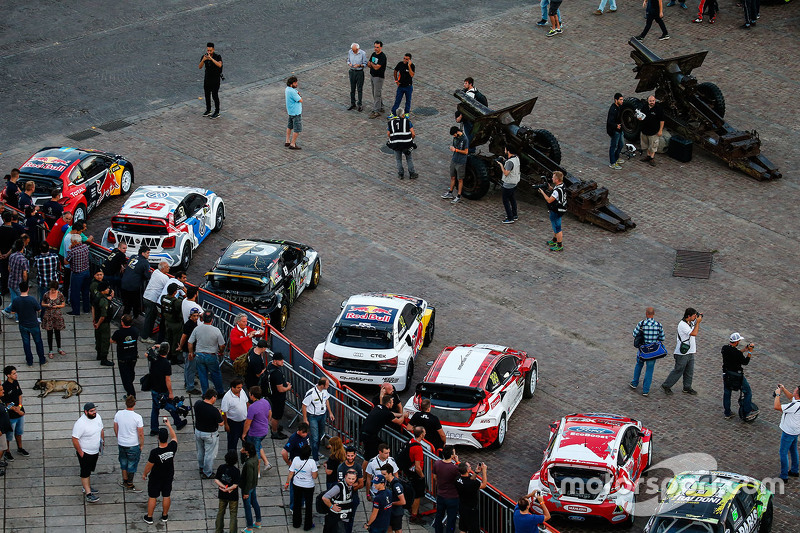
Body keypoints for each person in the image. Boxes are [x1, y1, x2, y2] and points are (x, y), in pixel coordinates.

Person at [142, 420, 177, 524]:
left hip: (156, 477)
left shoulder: (155, 452)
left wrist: (144, 474)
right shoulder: (172, 447)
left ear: (158, 438)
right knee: (166, 495)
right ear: (167, 438)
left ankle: (149, 517)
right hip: (168, 476)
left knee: (153, 496)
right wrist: (169, 425)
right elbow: (174, 437)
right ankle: (165, 515)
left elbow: (149, 466)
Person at [149, 342, 188, 435]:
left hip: (154, 387)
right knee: (169, 406)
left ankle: (154, 428)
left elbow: (148, 352)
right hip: (163, 389)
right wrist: (170, 392)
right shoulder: (166, 363)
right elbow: (168, 380)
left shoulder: (154, 358)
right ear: (168, 351)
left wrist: (155, 347)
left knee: (155, 409)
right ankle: (178, 422)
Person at [662, 308, 703, 395]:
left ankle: (687, 387)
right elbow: (694, 333)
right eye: (694, 316)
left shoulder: (690, 322)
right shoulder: (682, 325)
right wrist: (698, 322)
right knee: (678, 370)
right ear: (688, 316)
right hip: (682, 353)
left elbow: (694, 326)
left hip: (690, 351)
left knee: (689, 371)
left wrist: (697, 318)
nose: (695, 317)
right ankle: (666, 385)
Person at [71, 402, 104, 503]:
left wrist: (102, 442)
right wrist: (81, 452)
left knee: (89, 470)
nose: (94, 412)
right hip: (85, 452)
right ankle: (88, 493)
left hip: (95, 451)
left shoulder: (98, 417)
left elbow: (101, 429)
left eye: (94, 410)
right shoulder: (80, 424)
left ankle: (86, 486)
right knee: (85, 472)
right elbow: (75, 439)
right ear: (86, 412)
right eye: (91, 411)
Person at [629, 307, 666, 396]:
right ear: (653, 314)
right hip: (653, 352)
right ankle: (646, 390)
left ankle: (634, 383)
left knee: (639, 365)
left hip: (643, 350)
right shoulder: (658, 325)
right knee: (649, 370)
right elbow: (662, 338)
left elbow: (634, 334)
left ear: (646, 313)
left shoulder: (642, 324)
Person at [188, 310, 226, 395]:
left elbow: (190, 342)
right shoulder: (216, 330)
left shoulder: (197, 329)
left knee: (202, 375)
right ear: (212, 319)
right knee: (215, 374)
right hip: (211, 355)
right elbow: (222, 345)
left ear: (202, 318)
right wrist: (221, 352)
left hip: (199, 355)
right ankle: (220, 392)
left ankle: (205, 393)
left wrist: (191, 353)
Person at [360, 395, 404, 467]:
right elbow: (399, 422)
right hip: (369, 436)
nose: (393, 404)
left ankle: (382, 466)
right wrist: (403, 415)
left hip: (366, 433)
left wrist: (400, 414)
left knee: (383, 447)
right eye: (392, 402)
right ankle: (363, 476)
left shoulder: (378, 407)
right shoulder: (386, 413)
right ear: (388, 404)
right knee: (368, 458)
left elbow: (391, 414)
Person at [10, 281, 46, 366]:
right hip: (33, 324)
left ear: (19, 289)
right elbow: (39, 309)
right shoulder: (32, 299)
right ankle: (42, 359)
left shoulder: (16, 300)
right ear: (28, 289)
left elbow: (12, 311)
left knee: (26, 343)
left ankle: (29, 361)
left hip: (23, 324)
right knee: (38, 342)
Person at [113, 395, 144, 492]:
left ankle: (125, 481)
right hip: (133, 444)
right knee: (132, 464)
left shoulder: (119, 414)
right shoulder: (137, 417)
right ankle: (130, 484)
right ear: (134, 404)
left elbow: (115, 427)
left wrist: (119, 437)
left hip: (121, 443)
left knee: (123, 462)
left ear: (126, 403)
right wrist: (141, 444)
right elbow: (140, 433)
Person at [722, 333, 756, 420]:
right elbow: (745, 362)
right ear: (736, 341)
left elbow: (734, 354)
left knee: (727, 393)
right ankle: (748, 411)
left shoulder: (724, 348)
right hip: (736, 376)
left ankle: (727, 413)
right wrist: (749, 351)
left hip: (726, 374)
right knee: (748, 391)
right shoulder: (737, 354)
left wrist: (743, 349)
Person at [285, 445, 318, 531]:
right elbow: (314, 476)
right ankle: (307, 525)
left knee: (297, 503)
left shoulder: (295, 459)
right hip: (308, 486)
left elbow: (291, 473)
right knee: (308, 505)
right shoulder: (312, 462)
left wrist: (287, 482)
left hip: (297, 484)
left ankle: (296, 523)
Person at [302, 376, 335, 463]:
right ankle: (315, 459)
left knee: (321, 434)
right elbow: (304, 405)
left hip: (322, 415)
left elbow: (326, 400)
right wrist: (305, 419)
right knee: (315, 437)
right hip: (313, 417)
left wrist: (330, 412)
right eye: (327, 385)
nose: (328, 386)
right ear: (322, 385)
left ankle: (315, 451)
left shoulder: (325, 391)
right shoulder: (311, 393)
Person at [241, 386, 273, 472]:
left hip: (255, 433)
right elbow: (270, 413)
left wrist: (244, 433)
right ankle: (266, 463)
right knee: (258, 445)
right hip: (264, 430)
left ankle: (257, 472)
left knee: (256, 452)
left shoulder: (252, 407)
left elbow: (248, 423)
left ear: (252, 395)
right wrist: (266, 422)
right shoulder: (266, 402)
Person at [282, 422, 312, 510]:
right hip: (296, 465)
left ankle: (302, 502)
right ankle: (293, 506)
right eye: (303, 432)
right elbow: (284, 452)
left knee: (304, 484)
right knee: (295, 486)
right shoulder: (293, 438)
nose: (305, 434)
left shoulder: (306, 436)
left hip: (305, 463)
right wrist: (288, 463)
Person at [194, 388, 223, 479]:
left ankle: (201, 467)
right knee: (209, 454)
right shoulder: (214, 410)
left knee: (200, 451)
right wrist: (220, 414)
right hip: (210, 434)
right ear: (213, 397)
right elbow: (221, 423)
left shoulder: (197, 404)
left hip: (198, 431)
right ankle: (207, 473)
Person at [774, 384, 800, 481]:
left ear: (797, 394)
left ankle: (784, 476)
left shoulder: (795, 405)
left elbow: (777, 407)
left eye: (794, 391)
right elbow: (791, 397)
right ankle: (794, 470)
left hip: (788, 432)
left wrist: (778, 395)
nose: (793, 392)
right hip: (796, 431)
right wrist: (784, 389)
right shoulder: (797, 402)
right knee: (793, 450)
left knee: (783, 452)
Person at [3, 366, 29, 459]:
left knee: (19, 432)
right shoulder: (4, 387)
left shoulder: (16, 383)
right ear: (8, 375)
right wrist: (15, 409)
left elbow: (20, 395)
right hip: (11, 416)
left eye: (16, 373)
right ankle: (7, 451)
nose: (16, 375)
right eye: (14, 373)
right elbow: (5, 404)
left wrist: (20, 407)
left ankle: (20, 448)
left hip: (19, 413)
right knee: (9, 435)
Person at [338, 445, 365, 533]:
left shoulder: (358, 467)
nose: (350, 457)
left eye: (352, 455)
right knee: (342, 519)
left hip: (353, 498)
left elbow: (361, 484)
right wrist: (354, 484)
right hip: (343, 499)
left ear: (355, 455)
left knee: (351, 519)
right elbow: (341, 485)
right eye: (348, 455)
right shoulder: (341, 467)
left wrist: (352, 486)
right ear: (345, 455)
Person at [433, 445, 461, 533]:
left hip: (440, 495)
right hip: (453, 497)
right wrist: (457, 462)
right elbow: (463, 473)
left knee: (439, 517)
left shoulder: (437, 463)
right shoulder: (455, 468)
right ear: (452, 455)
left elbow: (434, 477)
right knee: (451, 520)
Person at [111, 314, 140, 399]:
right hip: (133, 356)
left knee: (125, 376)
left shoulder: (119, 332)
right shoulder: (135, 330)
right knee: (131, 372)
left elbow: (112, 340)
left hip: (123, 357)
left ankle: (131, 394)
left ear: (122, 323)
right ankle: (129, 384)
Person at [142, 261, 171, 341]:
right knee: (149, 319)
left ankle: (146, 333)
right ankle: (145, 337)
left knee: (149, 318)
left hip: (146, 296)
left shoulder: (156, 272)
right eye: (167, 267)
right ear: (163, 269)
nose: (169, 268)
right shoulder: (165, 278)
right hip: (152, 299)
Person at [322, 469, 358, 533]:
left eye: (353, 479)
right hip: (336, 518)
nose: (351, 481)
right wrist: (331, 506)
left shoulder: (350, 486)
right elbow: (325, 497)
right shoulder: (339, 487)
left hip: (344, 517)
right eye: (349, 478)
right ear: (345, 477)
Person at [120, 245, 151, 319]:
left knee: (128, 303)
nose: (148, 255)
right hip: (133, 286)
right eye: (147, 253)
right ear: (143, 253)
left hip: (124, 283)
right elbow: (147, 276)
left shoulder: (132, 256)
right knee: (131, 304)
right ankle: (128, 319)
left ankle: (132, 315)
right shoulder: (145, 263)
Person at [455, 462, 487, 533]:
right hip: (471, 510)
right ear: (467, 470)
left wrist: (476, 472)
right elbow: (484, 485)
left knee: (463, 529)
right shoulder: (472, 484)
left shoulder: (457, 478)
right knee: (474, 530)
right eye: (469, 467)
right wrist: (484, 471)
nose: (470, 467)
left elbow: (469, 480)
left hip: (462, 506)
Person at [265, 352, 292, 438]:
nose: (282, 361)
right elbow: (280, 389)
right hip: (277, 397)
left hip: (272, 395)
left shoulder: (270, 366)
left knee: (275, 414)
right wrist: (288, 387)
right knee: (276, 416)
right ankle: (275, 432)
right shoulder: (277, 373)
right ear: (275, 361)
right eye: (280, 360)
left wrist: (283, 383)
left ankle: (275, 427)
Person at [441, 127, 469, 204]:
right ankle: (450, 192)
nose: (453, 136)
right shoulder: (455, 138)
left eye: (454, 134)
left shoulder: (465, 139)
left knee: (460, 179)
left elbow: (466, 152)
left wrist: (456, 150)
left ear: (457, 132)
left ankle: (459, 196)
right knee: (453, 177)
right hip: (454, 160)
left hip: (461, 162)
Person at [539, 171, 566, 252]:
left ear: (557, 179)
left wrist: (542, 192)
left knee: (557, 228)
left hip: (556, 211)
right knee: (555, 226)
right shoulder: (562, 185)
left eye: (553, 177)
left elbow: (549, 200)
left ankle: (559, 245)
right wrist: (551, 188)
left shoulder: (556, 191)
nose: (552, 178)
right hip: (561, 209)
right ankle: (554, 240)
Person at [214, 450, 240, 533]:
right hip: (232, 495)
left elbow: (216, 479)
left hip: (222, 494)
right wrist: (228, 489)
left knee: (220, 512)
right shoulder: (236, 471)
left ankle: (218, 530)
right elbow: (235, 485)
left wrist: (224, 487)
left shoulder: (221, 467)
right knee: (233, 514)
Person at [65, 234, 91, 315]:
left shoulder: (73, 251)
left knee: (75, 293)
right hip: (86, 271)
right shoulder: (85, 247)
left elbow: (66, 261)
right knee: (85, 292)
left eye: (72, 241)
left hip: (77, 274)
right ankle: (86, 309)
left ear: (75, 242)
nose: (71, 243)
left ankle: (76, 311)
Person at [239, 441, 262, 533]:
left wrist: (246, 492)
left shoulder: (249, 464)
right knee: (254, 502)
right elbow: (243, 461)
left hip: (247, 487)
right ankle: (258, 521)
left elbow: (248, 478)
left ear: (247, 451)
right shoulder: (255, 457)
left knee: (247, 506)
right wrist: (241, 453)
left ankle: (249, 527)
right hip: (253, 485)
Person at [387, 113, 418, 180]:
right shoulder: (407, 122)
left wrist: (393, 138)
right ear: (403, 115)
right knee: (409, 158)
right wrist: (410, 139)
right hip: (406, 143)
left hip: (396, 143)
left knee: (398, 159)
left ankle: (401, 174)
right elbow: (413, 133)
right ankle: (412, 173)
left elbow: (388, 133)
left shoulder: (391, 122)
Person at [221, 378, 248, 453]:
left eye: (241, 387)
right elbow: (223, 412)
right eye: (238, 387)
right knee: (232, 442)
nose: (240, 389)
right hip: (233, 423)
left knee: (246, 440)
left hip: (244, 421)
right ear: (232, 387)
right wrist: (226, 424)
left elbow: (246, 402)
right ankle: (232, 458)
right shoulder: (227, 398)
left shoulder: (242, 391)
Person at [41, 279, 66, 358]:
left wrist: (57, 306)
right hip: (49, 315)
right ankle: (50, 350)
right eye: (51, 289)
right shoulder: (46, 294)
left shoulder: (60, 294)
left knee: (57, 332)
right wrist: (47, 305)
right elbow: (42, 303)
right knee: (49, 333)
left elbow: (63, 304)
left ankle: (59, 348)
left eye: (54, 290)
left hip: (57, 315)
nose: (52, 291)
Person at [160, 282, 185, 364]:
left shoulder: (163, 298)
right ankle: (174, 357)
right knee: (176, 340)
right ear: (175, 292)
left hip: (167, 321)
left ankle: (168, 354)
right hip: (175, 323)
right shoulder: (177, 302)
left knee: (169, 338)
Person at [407, 426, 427, 524]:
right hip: (416, 474)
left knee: (414, 493)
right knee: (417, 495)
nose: (425, 434)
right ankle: (414, 515)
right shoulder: (418, 448)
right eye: (424, 432)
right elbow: (418, 467)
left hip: (410, 472)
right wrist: (422, 476)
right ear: (422, 434)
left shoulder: (411, 441)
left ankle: (413, 511)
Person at [2, 239, 28, 318]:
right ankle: (13, 313)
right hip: (18, 282)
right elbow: (24, 274)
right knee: (19, 300)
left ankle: (9, 311)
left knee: (14, 299)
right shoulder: (24, 259)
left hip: (11, 281)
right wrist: (25, 282)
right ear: (23, 247)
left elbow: (9, 268)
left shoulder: (11, 256)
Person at [180, 305, 202, 394]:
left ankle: (188, 382)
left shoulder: (192, 324)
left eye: (197, 316)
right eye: (194, 316)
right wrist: (182, 347)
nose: (196, 317)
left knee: (187, 367)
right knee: (190, 368)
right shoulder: (189, 325)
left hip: (188, 349)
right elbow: (184, 337)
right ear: (190, 316)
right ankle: (190, 386)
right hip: (189, 350)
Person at [496, 146, 521, 224]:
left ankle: (510, 218)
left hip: (508, 184)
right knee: (512, 199)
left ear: (508, 151)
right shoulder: (516, 158)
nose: (505, 150)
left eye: (506, 149)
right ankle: (514, 214)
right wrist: (505, 161)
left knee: (505, 200)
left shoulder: (509, 162)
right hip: (515, 182)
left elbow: (506, 173)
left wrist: (501, 165)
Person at [638, 95, 665, 166]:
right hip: (645, 130)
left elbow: (662, 120)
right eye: (650, 101)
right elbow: (641, 115)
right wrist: (639, 118)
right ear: (648, 101)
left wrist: (660, 130)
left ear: (655, 101)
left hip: (654, 132)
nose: (652, 102)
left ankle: (651, 158)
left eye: (653, 101)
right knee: (646, 145)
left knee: (653, 146)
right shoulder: (645, 107)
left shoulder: (658, 109)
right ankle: (648, 156)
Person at [93, 281, 115, 367]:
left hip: (97, 321)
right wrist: (98, 323)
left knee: (98, 338)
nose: (108, 290)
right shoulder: (103, 300)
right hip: (103, 323)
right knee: (105, 340)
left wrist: (94, 320)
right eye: (107, 288)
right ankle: (104, 359)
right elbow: (103, 316)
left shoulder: (97, 296)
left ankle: (99, 354)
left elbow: (93, 307)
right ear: (102, 290)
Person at [380, 464, 406, 533]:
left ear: (390, 473)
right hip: (389, 511)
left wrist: (390, 503)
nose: (382, 476)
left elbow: (403, 501)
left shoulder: (396, 485)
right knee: (388, 528)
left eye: (384, 474)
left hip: (396, 512)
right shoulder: (387, 482)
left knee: (398, 530)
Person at [199, 42, 223, 118]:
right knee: (207, 94)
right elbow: (200, 67)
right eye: (208, 50)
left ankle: (217, 111)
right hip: (207, 78)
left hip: (215, 79)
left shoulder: (217, 56)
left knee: (215, 95)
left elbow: (219, 65)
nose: (209, 52)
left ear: (213, 50)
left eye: (210, 50)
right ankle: (208, 109)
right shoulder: (204, 56)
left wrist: (211, 59)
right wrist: (203, 60)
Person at [368, 41, 387, 119]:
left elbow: (376, 67)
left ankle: (376, 111)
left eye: (377, 47)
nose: (375, 49)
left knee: (377, 93)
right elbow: (369, 64)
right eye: (375, 47)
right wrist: (373, 65)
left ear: (381, 47)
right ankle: (381, 107)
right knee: (375, 92)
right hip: (372, 75)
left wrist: (372, 64)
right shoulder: (373, 54)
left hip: (378, 77)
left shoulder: (382, 56)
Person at [606, 92, 625, 170]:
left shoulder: (619, 107)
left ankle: (616, 158)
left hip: (620, 130)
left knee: (621, 144)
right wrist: (616, 126)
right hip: (614, 131)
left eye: (622, 99)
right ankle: (612, 162)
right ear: (615, 100)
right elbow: (610, 122)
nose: (622, 101)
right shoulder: (613, 109)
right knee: (613, 146)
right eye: (620, 100)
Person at [347, 43, 367, 112]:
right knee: (352, 88)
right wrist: (349, 63)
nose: (353, 52)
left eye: (354, 50)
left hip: (359, 72)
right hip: (352, 71)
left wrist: (359, 65)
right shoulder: (350, 52)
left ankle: (360, 104)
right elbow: (348, 60)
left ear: (358, 49)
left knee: (359, 89)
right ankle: (352, 103)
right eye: (352, 50)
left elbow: (365, 64)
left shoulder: (362, 53)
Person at [285, 76, 303, 150]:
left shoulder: (287, 89)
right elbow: (300, 100)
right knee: (297, 129)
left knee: (289, 126)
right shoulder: (292, 92)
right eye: (295, 83)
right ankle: (292, 144)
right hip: (296, 113)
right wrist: (298, 95)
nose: (296, 84)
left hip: (290, 112)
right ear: (292, 84)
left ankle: (287, 141)